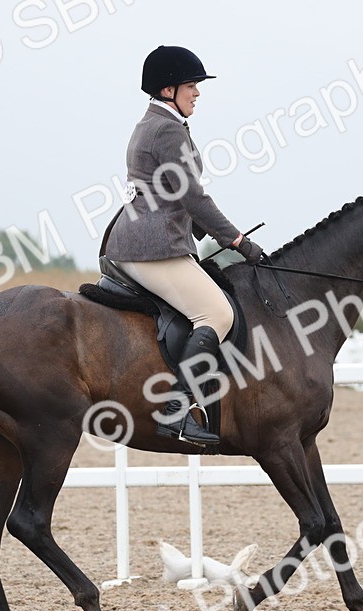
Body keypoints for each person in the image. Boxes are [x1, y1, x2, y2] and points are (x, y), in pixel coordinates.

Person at [104, 45, 264, 446]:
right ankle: (176, 410)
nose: (197, 93)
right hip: (152, 247)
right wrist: (238, 240)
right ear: (168, 88)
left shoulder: (156, 123)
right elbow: (194, 197)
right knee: (217, 313)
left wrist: (204, 231)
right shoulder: (167, 129)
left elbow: (173, 194)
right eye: (192, 85)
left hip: (146, 238)